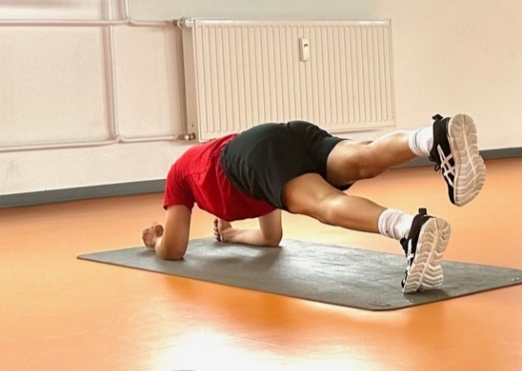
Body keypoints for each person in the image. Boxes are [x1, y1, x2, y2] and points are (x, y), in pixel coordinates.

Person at [143, 114, 486, 294]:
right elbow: (271, 237)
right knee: (361, 158)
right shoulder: (252, 183)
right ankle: (433, 136)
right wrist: (232, 235)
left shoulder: (179, 173)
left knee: (325, 203)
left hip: (251, 153)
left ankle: (409, 229)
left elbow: (173, 249)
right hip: (280, 134)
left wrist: (155, 240)